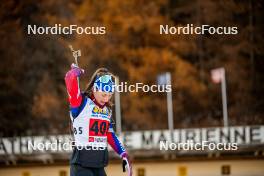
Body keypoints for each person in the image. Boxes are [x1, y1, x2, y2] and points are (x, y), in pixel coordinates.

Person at [64, 64, 132, 176]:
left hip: (98, 165)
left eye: (109, 95)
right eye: (103, 94)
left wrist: (123, 154)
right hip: (81, 165)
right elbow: (69, 78)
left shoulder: (107, 110)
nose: (106, 98)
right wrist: (76, 72)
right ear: (95, 89)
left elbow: (110, 135)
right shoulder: (81, 102)